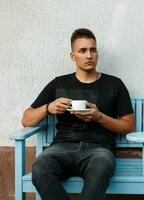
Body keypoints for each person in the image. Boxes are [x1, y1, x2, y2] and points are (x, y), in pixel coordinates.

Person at [21, 28, 135, 200]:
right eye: (82, 50)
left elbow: (129, 126)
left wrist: (99, 117)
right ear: (72, 56)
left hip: (99, 149)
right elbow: (26, 119)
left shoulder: (114, 84)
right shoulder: (58, 83)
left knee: (101, 168)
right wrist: (48, 108)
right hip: (61, 147)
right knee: (40, 167)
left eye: (93, 50)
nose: (89, 55)